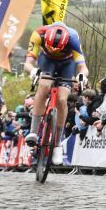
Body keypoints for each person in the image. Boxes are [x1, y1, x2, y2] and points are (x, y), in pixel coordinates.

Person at [23, 23, 89, 164]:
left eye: (58, 49)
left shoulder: (73, 39)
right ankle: (33, 131)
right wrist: (33, 71)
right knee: (45, 85)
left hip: (67, 63)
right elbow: (27, 63)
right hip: (47, 61)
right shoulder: (38, 34)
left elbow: (83, 67)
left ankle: (57, 144)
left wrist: (82, 76)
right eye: (50, 47)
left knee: (62, 99)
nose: (54, 51)